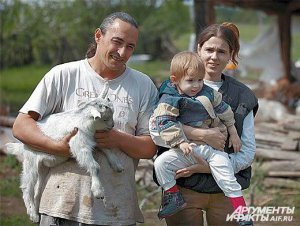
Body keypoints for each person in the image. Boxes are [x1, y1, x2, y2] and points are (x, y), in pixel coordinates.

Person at [12, 12, 158, 226]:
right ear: (99, 36)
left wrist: (117, 139)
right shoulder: (63, 75)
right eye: (117, 42)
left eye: (130, 47)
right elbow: (21, 125)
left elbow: (149, 148)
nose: (122, 52)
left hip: (116, 209)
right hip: (60, 206)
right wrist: (57, 147)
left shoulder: (143, 86)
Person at [150, 22, 258, 226]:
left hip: (224, 192)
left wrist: (206, 168)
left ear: (230, 55)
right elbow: (155, 131)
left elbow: (248, 152)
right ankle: (173, 198)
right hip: (184, 187)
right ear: (198, 49)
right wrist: (201, 134)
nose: (214, 57)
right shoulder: (173, 88)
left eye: (221, 51)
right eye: (209, 49)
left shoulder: (243, 95)